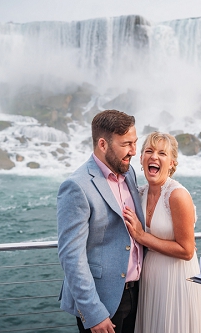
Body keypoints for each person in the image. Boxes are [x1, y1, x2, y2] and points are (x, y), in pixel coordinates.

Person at [57, 110, 145, 333]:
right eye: (126, 144)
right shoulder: (76, 186)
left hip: (138, 295)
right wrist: (93, 313)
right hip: (102, 303)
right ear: (103, 144)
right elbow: (71, 256)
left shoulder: (130, 172)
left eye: (135, 143)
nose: (134, 151)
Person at [123, 131, 201, 333]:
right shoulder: (138, 193)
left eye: (162, 153)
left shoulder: (177, 195)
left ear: (171, 163)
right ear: (142, 158)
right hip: (149, 279)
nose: (154, 157)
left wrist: (142, 236)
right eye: (149, 151)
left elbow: (187, 251)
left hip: (177, 279)